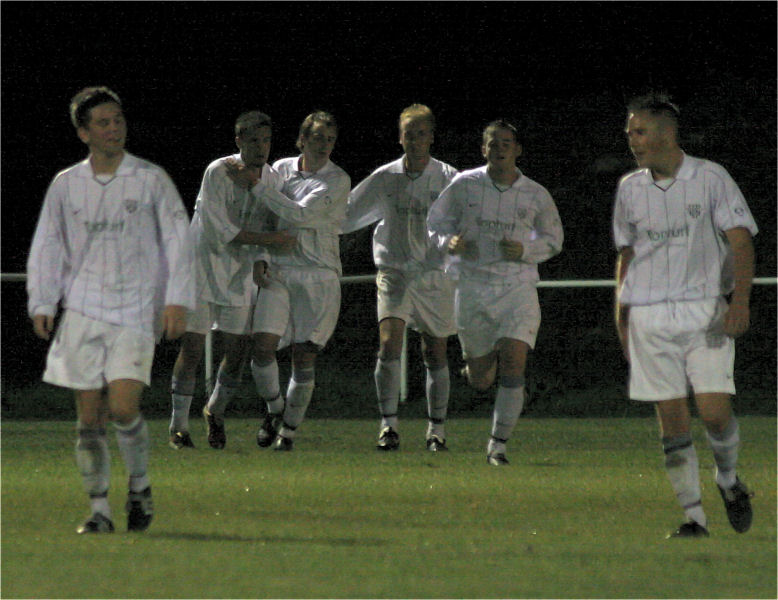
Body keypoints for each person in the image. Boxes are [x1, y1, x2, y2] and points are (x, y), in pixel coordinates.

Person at [26, 86, 195, 533]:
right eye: (102, 122)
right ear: (83, 133)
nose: (113, 128)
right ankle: (99, 511)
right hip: (82, 311)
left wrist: (177, 298)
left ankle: (138, 486)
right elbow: (48, 245)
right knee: (89, 417)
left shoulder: (150, 179)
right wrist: (42, 300)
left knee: (122, 407)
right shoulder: (67, 184)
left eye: (117, 119)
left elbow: (179, 240)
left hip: (135, 310)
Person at [613, 93, 758, 538]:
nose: (633, 141)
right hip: (651, 317)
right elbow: (627, 255)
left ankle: (729, 480)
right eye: (629, 133)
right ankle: (694, 517)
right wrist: (622, 316)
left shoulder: (710, 177)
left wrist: (740, 301)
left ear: (667, 134)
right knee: (672, 420)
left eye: (640, 131)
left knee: (714, 413)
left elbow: (740, 241)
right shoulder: (629, 188)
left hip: (703, 311)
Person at [427, 119, 563, 465]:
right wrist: (449, 242)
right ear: (483, 149)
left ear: (517, 150)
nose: (499, 149)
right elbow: (436, 222)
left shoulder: (535, 193)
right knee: (481, 380)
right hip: (473, 287)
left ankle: (498, 445)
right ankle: (472, 369)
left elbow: (553, 238)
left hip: (516, 287)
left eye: (506, 143)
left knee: (514, 362)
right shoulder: (464, 184)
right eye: (493, 143)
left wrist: (526, 250)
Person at [168, 111, 296, 451]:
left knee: (237, 351)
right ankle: (178, 426)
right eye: (253, 140)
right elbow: (218, 231)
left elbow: (270, 223)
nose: (261, 147)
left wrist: (261, 259)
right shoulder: (219, 170)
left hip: (239, 273)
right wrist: (271, 244)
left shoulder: (271, 180)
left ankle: (214, 410)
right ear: (238, 141)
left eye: (266, 140)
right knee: (192, 347)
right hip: (202, 268)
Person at [226, 111, 350, 451]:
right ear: (302, 139)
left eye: (329, 139)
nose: (323, 144)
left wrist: (252, 184)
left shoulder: (337, 180)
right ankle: (276, 410)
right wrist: (262, 256)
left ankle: (288, 433)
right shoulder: (281, 169)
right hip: (280, 270)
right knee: (262, 347)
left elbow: (299, 214)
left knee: (303, 357)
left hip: (319, 275)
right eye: (317, 137)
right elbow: (268, 217)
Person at [342, 104, 458, 451]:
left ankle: (436, 430)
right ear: (400, 137)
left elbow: (465, 221)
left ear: (432, 137)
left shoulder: (450, 178)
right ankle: (388, 426)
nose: (414, 139)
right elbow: (347, 213)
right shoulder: (385, 177)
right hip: (395, 273)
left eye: (421, 133)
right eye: (409, 133)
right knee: (389, 344)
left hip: (434, 275)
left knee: (434, 352)